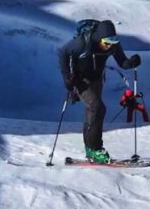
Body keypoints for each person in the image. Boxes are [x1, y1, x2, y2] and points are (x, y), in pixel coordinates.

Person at [58, 19, 141, 163]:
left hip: (96, 81)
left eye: (112, 43)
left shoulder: (112, 45)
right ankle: (96, 149)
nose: (109, 46)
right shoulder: (82, 43)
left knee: (92, 113)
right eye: (106, 43)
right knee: (97, 107)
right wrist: (67, 78)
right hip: (80, 80)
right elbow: (63, 53)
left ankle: (90, 151)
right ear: (99, 38)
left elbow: (122, 62)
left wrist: (131, 63)